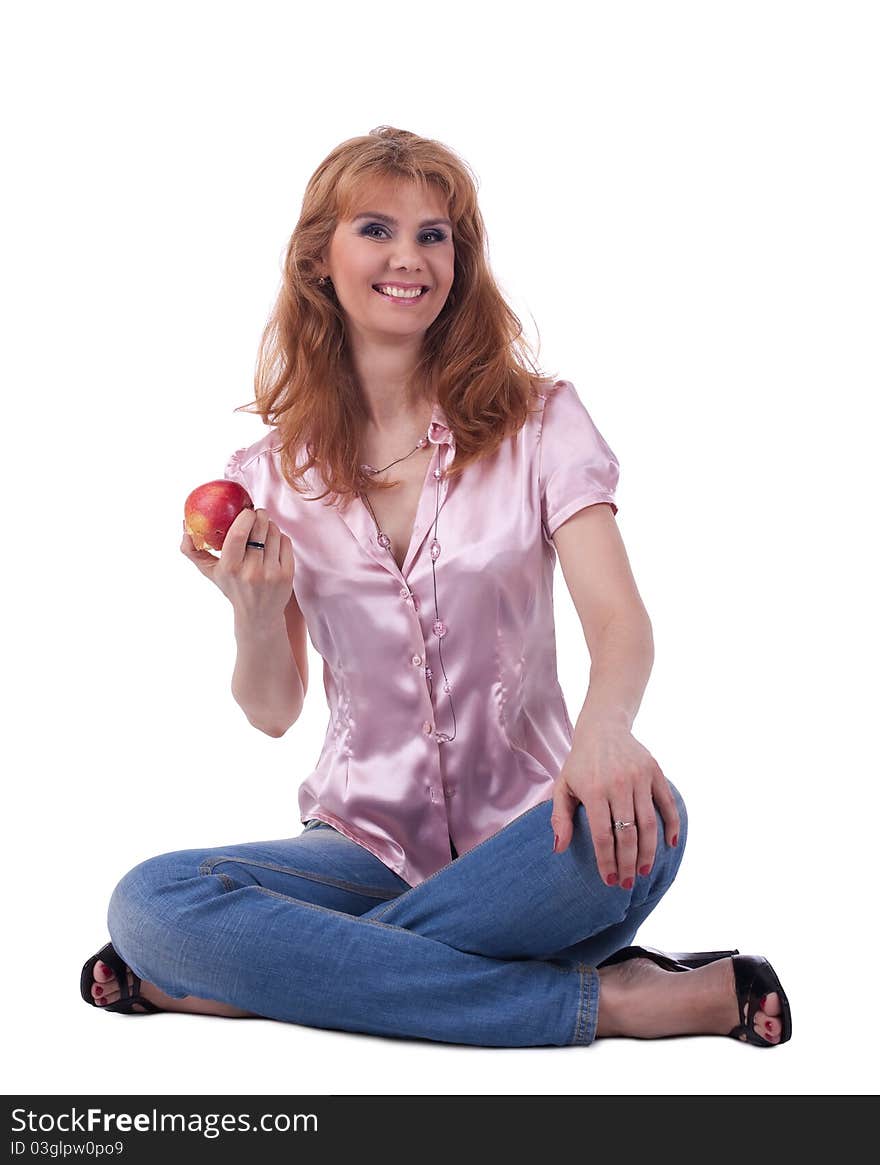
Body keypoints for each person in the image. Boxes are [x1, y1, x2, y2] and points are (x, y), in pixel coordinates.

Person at [80, 126, 790, 1048]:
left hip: (541, 842)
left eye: (435, 234)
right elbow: (272, 710)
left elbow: (619, 620)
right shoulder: (268, 475)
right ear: (319, 263)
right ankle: (613, 1000)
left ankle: (247, 981)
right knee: (150, 903)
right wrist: (254, 618)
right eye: (376, 229)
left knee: (654, 821)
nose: (409, 257)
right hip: (359, 850)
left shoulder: (540, 422)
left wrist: (606, 733)